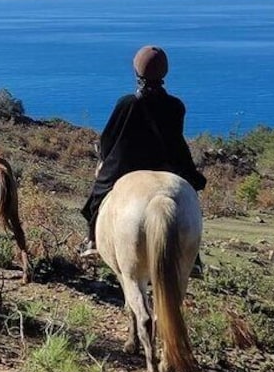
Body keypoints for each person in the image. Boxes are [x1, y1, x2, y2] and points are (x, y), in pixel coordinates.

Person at [80, 46, 207, 275]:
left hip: (128, 165)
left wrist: (104, 159)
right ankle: (194, 258)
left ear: (137, 73)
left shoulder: (127, 103)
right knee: (189, 197)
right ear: (164, 73)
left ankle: (93, 242)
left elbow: (109, 138)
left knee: (97, 196)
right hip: (167, 165)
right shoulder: (176, 106)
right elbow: (175, 139)